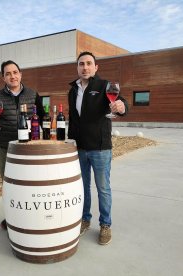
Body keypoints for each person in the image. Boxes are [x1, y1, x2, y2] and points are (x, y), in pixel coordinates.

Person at [67, 51, 128, 245]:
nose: (85, 67)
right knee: (82, 187)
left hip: (100, 148)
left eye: (88, 63)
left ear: (95, 67)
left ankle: (105, 225)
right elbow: (74, 120)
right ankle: (85, 219)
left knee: (103, 188)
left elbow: (122, 102)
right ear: (77, 67)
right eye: (81, 64)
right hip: (79, 148)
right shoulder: (73, 90)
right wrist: (70, 142)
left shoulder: (104, 86)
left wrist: (121, 107)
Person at [0, 60, 45, 230]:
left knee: (31, 183)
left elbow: (44, 120)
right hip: (5, 148)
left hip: (29, 150)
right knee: (9, 184)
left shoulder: (33, 94)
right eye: (8, 73)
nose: (12, 76)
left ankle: (30, 216)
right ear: (3, 77)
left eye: (15, 72)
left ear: (20, 74)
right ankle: (12, 217)